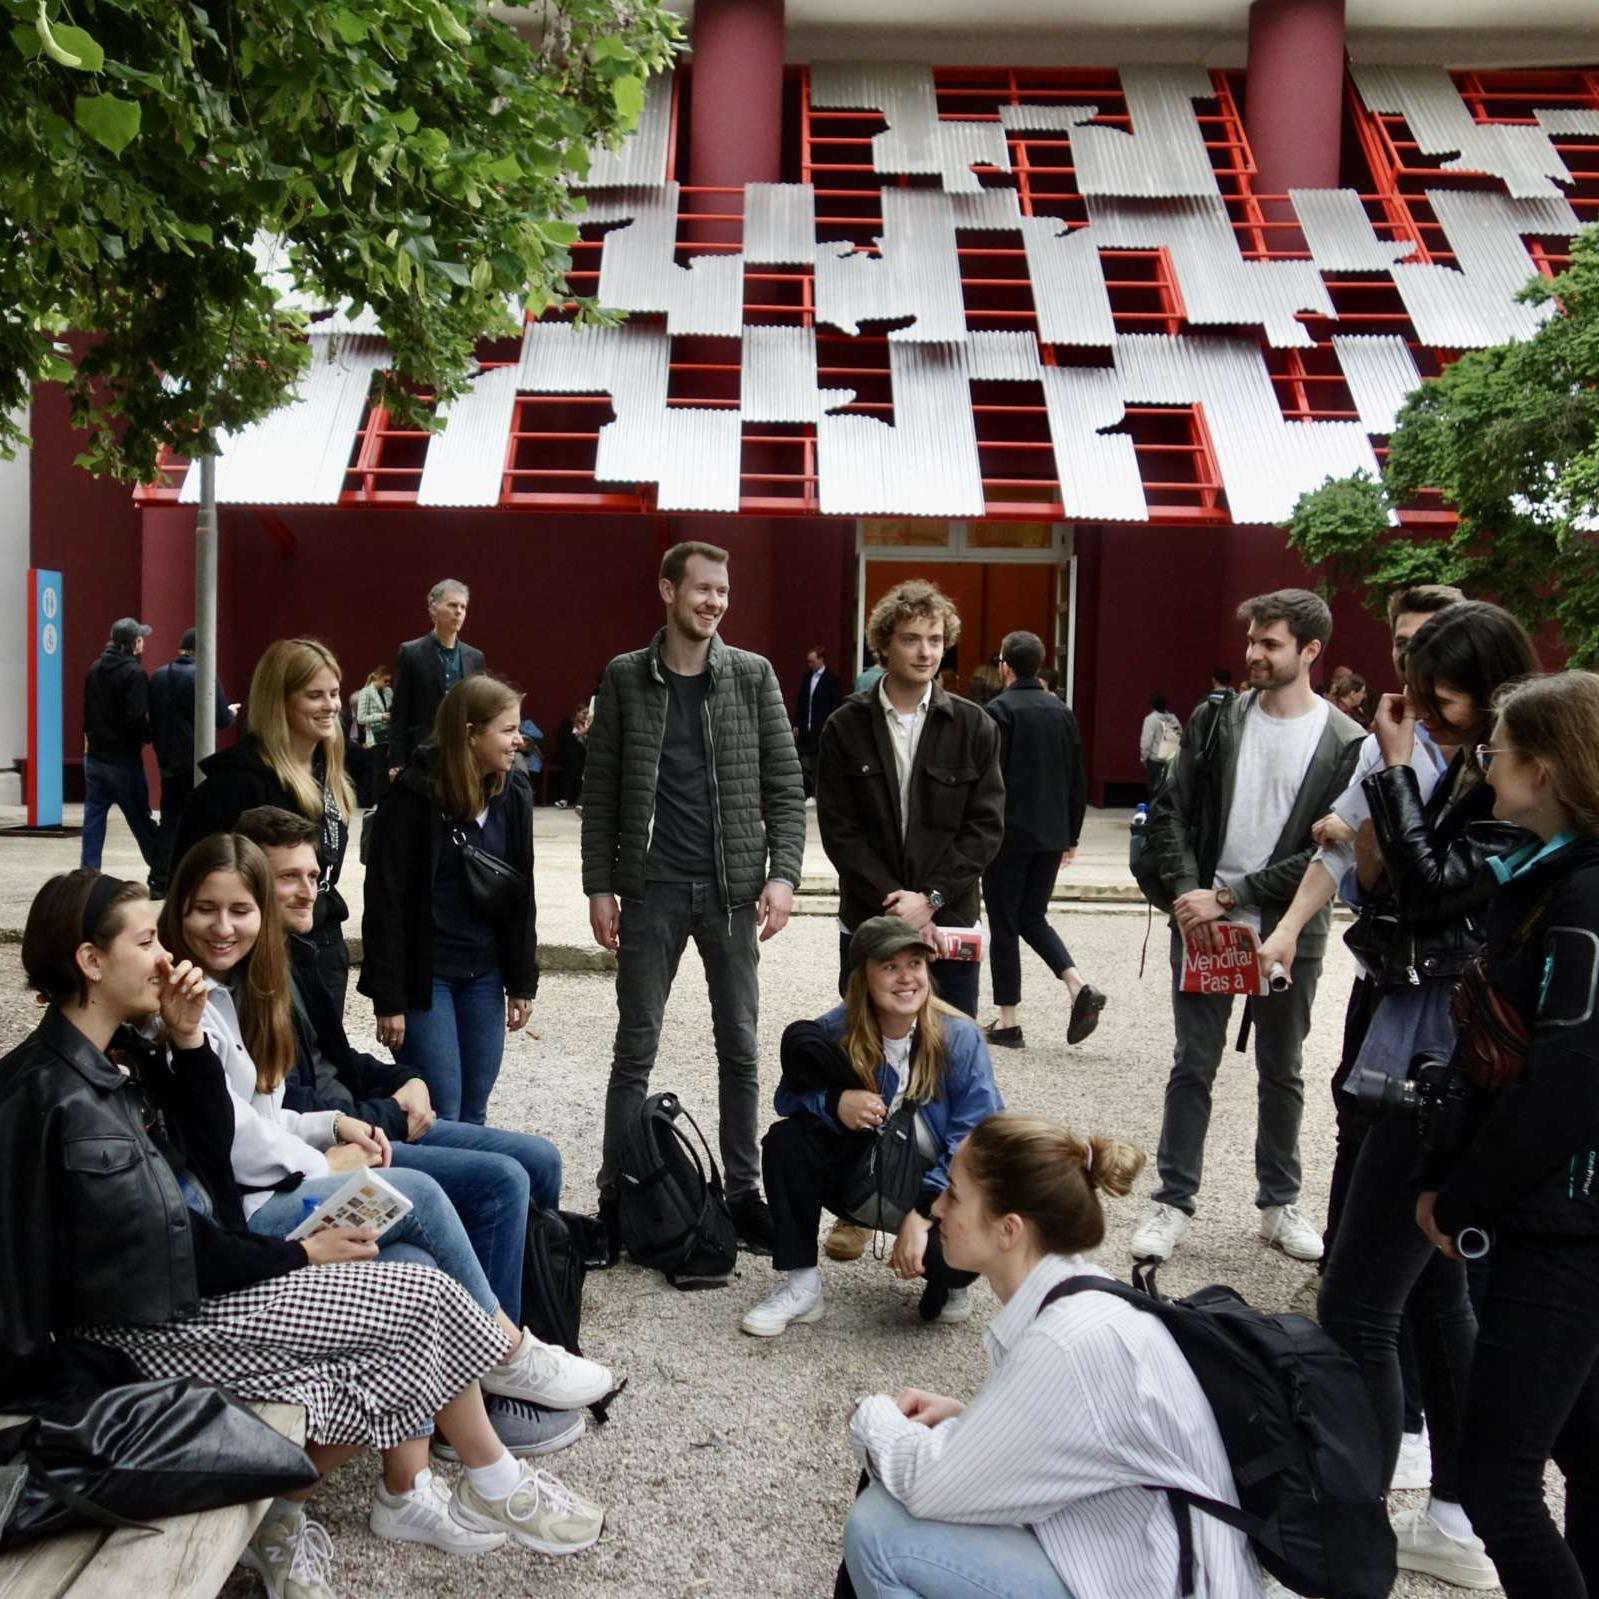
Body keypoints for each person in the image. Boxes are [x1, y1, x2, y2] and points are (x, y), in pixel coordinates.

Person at [0, 870, 610, 1594]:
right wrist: (298, 1252)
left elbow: (209, 1161)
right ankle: (495, 1467)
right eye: (147, 942)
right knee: (413, 1302)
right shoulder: (42, 1093)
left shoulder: (120, 1056)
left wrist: (190, 1040)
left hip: (168, 1298)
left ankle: (411, 1487)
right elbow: (158, 1248)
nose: (167, 957)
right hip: (127, 1338)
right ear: (91, 962)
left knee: (403, 1313)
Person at [1304, 602, 1537, 1590]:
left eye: (1435, 687)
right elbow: (1396, 887)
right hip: (1414, 1043)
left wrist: (1396, 770)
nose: (1419, 705)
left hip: (1432, 1062)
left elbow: (1440, 890)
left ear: (1489, 688)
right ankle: (1453, 1513)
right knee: (1435, 1299)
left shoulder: (1517, 779)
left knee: (1356, 1307)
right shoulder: (1482, 763)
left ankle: (1350, 1529)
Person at [842, 1113, 1264, 1599]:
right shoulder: (1079, 1291)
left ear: (1009, 1230)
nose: (936, 1206)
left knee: (880, 1532)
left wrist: (869, 1414)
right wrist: (971, 1418)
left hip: (1158, 1583)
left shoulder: (1064, 1340)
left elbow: (931, 1485)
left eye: (954, 1194)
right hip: (1146, 1566)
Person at [1258, 582, 1465, 1496]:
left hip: (1444, 1023)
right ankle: (1421, 1456)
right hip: (1385, 992)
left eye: (1430, 650)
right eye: (1403, 645)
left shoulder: (1485, 763)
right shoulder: (1402, 738)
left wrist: (1376, 797)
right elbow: (1337, 854)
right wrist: (1281, 931)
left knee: (1388, 1278)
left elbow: (1423, 884)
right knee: (1388, 1253)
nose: (1411, 668)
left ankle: (1383, 1479)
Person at [1415, 671, 1599, 1599]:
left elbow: (1569, 1079)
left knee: (1495, 1482)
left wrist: (1463, 1193)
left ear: (1550, 766)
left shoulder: (1582, 894)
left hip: (1564, 1226)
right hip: (1551, 1214)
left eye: (1500, 753)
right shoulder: (1548, 877)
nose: (1486, 771)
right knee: (1580, 1446)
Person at [582, 540, 806, 1255]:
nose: (713, 601)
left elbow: (785, 784)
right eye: (701, 589)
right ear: (667, 590)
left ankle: (742, 1192)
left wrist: (783, 875)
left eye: (722, 591)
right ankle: (620, 1189)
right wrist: (598, 885)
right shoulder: (624, 677)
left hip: (734, 892)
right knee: (634, 1048)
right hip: (649, 892)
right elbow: (601, 791)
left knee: (739, 1046)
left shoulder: (752, 675)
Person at [1133, 590, 1365, 1266]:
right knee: (1192, 1064)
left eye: (1270, 643)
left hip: (1291, 922)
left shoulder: (1344, 742)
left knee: (1282, 1067)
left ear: (1310, 651)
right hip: (1203, 917)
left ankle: (1277, 1202)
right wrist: (1185, 893)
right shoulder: (1218, 720)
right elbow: (1169, 808)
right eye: (1252, 641)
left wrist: (1233, 892)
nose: (1253, 654)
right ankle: (1171, 1200)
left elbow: (1330, 848)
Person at [742, 916, 1005, 1336]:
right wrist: (834, 1102)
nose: (907, 979)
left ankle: (949, 1280)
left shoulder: (959, 1037)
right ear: (861, 977)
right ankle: (802, 1285)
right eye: (890, 967)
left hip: (937, 1187)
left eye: (915, 965)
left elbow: (978, 1138)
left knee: (952, 1262)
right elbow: (785, 1099)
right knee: (787, 1140)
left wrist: (924, 1212)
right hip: (865, 1175)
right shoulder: (835, 1029)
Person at [815, 579, 1005, 1022]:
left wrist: (930, 898)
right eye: (911, 639)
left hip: (951, 916)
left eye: (935, 640)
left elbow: (986, 827)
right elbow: (840, 831)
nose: (926, 652)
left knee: (951, 1054)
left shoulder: (975, 726)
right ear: (885, 644)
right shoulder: (845, 727)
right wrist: (897, 904)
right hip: (869, 917)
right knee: (868, 1052)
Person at [361, 674, 538, 1127]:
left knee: (476, 1107)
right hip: (429, 976)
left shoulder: (513, 792)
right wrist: (389, 998)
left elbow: (520, 893)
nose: (518, 740)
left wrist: (521, 981)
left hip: (485, 972)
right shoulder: (409, 798)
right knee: (444, 1107)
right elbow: (385, 901)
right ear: (469, 733)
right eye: (507, 729)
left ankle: (474, 1196)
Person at [172, 637, 360, 1012]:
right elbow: (188, 882)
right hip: (258, 959)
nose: (330, 706)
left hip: (323, 949)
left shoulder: (331, 773)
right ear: (280, 701)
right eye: (315, 695)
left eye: (334, 693)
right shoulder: (233, 786)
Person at [982, 629, 1104, 1051]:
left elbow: (990, 781)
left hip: (1008, 836)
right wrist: (1071, 834)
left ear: (1006, 666)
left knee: (1003, 922)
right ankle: (1077, 985)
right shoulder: (1060, 711)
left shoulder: (998, 710)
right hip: (1051, 834)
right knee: (1032, 916)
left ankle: (1008, 1020)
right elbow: (1077, 778)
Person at [148, 625, 237, 896]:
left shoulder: (159, 676)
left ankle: (160, 880)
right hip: (197, 760)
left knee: (170, 821)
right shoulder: (204, 674)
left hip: (167, 760)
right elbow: (221, 719)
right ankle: (199, 877)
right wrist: (232, 712)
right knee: (204, 818)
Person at [80, 616, 161, 879]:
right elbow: (136, 717)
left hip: (94, 759)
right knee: (140, 819)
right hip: (123, 761)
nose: (143, 643)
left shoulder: (94, 669)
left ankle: (89, 873)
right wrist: (150, 736)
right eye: (141, 639)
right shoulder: (134, 673)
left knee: (94, 819)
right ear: (133, 642)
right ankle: (161, 870)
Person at [389, 578, 486, 774]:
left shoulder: (475, 657)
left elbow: (480, 709)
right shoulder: (411, 652)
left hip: (463, 752)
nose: (459, 611)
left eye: (463, 607)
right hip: (422, 751)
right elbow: (399, 711)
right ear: (434, 609)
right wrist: (396, 761)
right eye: (452, 605)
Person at [793, 645, 844, 798]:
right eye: (808, 662)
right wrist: (796, 723)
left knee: (819, 760)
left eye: (812, 662)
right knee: (804, 759)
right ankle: (808, 791)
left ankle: (818, 792)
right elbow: (801, 701)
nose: (810, 665)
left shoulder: (831, 679)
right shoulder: (807, 677)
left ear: (821, 659)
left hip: (821, 726)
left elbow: (836, 705)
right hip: (806, 725)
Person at [354, 664, 394, 803]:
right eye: (385, 681)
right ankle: (377, 803)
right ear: (377, 678)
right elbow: (361, 718)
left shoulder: (388, 692)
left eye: (389, 682)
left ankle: (388, 802)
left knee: (389, 771)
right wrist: (381, 716)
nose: (387, 684)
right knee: (378, 773)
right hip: (375, 737)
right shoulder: (366, 692)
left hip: (389, 736)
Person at [1139, 694, 1183, 795]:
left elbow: (1146, 742)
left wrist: (1144, 758)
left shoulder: (1151, 719)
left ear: (1152, 706)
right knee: (1169, 792)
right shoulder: (1174, 719)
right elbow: (1180, 737)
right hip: (1171, 761)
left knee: (1154, 791)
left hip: (1155, 761)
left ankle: (1154, 811)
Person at [554, 702, 591, 809]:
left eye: (588, 714)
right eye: (584, 713)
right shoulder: (568, 723)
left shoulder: (589, 726)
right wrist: (580, 733)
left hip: (583, 757)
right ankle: (565, 799)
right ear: (577, 713)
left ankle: (579, 801)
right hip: (567, 755)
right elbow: (564, 740)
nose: (586, 716)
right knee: (573, 760)